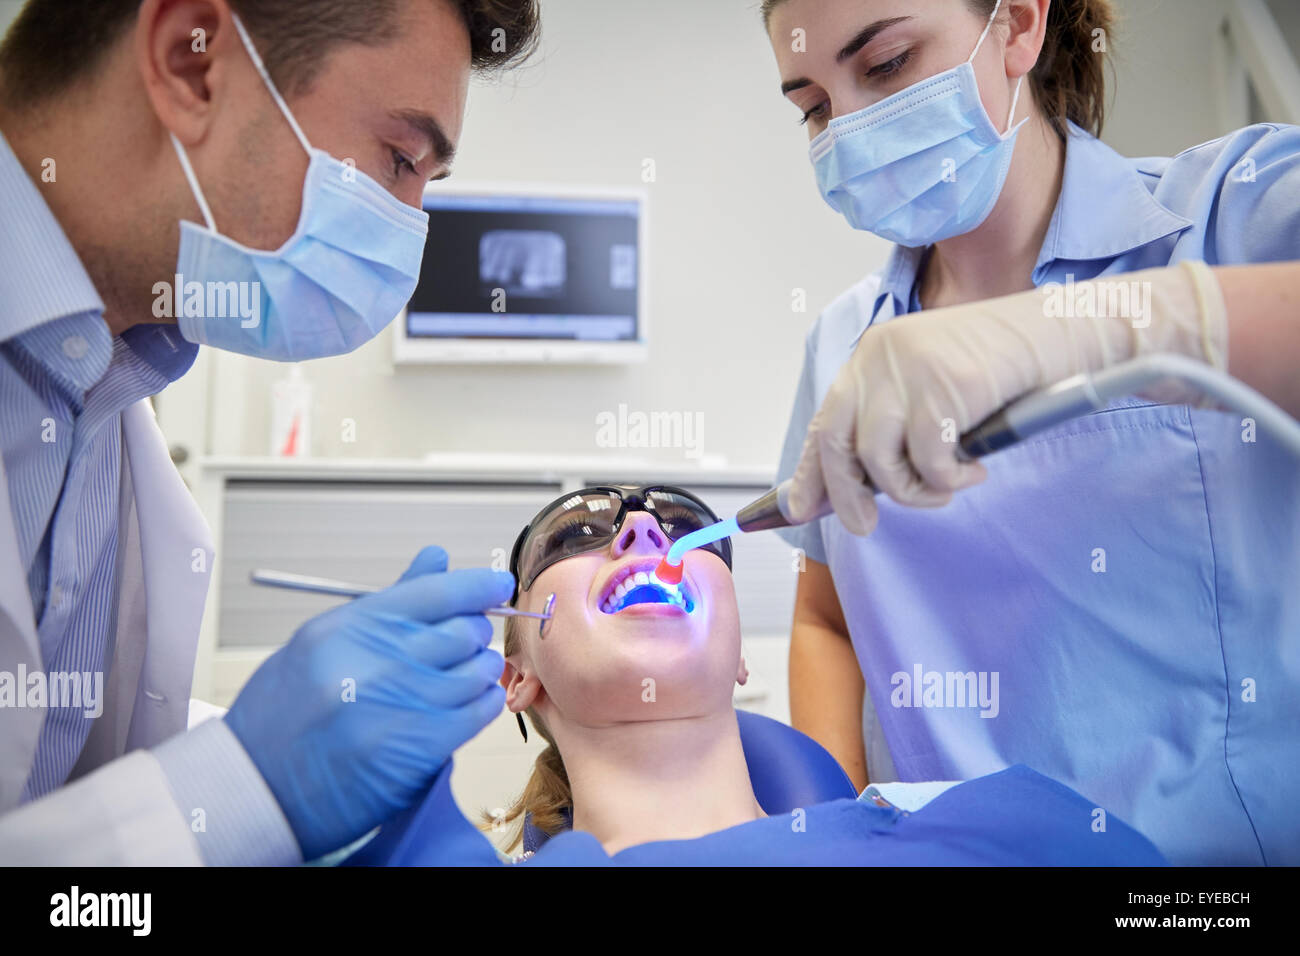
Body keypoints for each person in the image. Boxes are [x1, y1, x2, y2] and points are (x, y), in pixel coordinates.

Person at [0, 0, 539, 865]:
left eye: (422, 183)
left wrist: (261, 769)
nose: (405, 236)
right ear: (192, 62)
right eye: (398, 159)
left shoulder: (107, 388)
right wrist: (249, 784)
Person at [762, 0, 1300, 865]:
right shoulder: (843, 348)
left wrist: (1117, 325)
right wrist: (838, 833)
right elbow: (824, 619)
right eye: (814, 107)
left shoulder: (1232, 215)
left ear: (1018, 25)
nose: (850, 128)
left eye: (889, 64)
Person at [343, 484, 1166, 866]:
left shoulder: (985, 813)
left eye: (686, 529)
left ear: (740, 656)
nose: (640, 531)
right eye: (577, 534)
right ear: (516, 676)